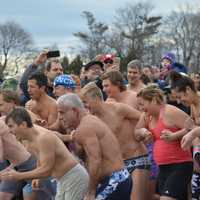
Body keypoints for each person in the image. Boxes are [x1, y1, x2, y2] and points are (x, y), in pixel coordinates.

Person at [80, 82, 150, 200]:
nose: (84, 106)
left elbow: (144, 116)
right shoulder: (92, 120)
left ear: (96, 98)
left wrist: (141, 131)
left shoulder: (118, 108)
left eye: (85, 102)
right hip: (117, 168)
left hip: (136, 158)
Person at [1, 107, 89, 200]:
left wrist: (19, 176)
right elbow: (40, 158)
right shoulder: (27, 140)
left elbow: (47, 170)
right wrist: (37, 177)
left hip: (74, 177)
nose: (9, 131)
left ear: (23, 124)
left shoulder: (43, 138)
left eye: (11, 126)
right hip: (62, 180)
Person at [57, 93, 132, 200]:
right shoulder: (88, 121)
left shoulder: (85, 128)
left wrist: (91, 192)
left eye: (62, 112)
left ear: (74, 111)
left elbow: (95, 160)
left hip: (115, 180)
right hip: (120, 178)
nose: (60, 117)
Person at [135, 84, 193, 200]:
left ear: (153, 100)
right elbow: (136, 132)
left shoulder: (170, 111)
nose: (140, 108)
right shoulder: (147, 116)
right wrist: (143, 132)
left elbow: (193, 126)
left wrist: (174, 135)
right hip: (163, 167)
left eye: (142, 104)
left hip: (180, 164)